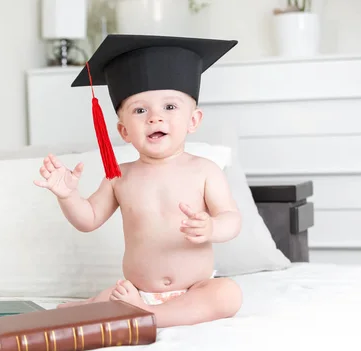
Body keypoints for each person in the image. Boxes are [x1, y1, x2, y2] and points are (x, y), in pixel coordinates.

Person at [33, 34, 243, 328]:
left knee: (227, 294)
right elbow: (88, 219)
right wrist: (67, 195)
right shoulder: (120, 176)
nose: (155, 118)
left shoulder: (205, 170)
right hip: (138, 291)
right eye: (140, 110)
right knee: (106, 299)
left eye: (169, 107)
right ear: (124, 131)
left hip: (196, 288)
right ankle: (114, 307)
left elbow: (232, 219)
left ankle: (152, 316)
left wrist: (212, 227)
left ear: (193, 121)